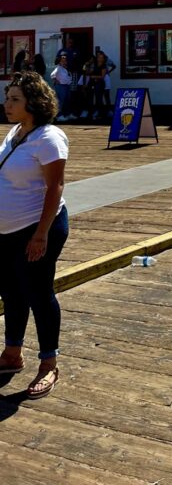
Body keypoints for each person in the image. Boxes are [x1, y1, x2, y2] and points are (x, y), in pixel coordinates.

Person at [0, 72, 69, 399]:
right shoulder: (16, 132)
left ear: (34, 103)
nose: (7, 104)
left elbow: (55, 187)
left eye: (15, 99)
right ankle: (12, 354)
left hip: (37, 228)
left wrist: (41, 234)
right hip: (7, 231)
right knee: (11, 291)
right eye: (7, 97)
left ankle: (49, 363)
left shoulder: (48, 137)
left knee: (38, 292)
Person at [49, 54, 72, 123]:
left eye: (65, 61)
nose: (65, 62)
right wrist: (56, 80)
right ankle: (59, 116)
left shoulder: (65, 68)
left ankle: (66, 114)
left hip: (66, 86)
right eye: (63, 61)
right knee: (60, 101)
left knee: (66, 100)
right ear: (60, 62)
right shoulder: (58, 68)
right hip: (61, 86)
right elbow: (52, 75)